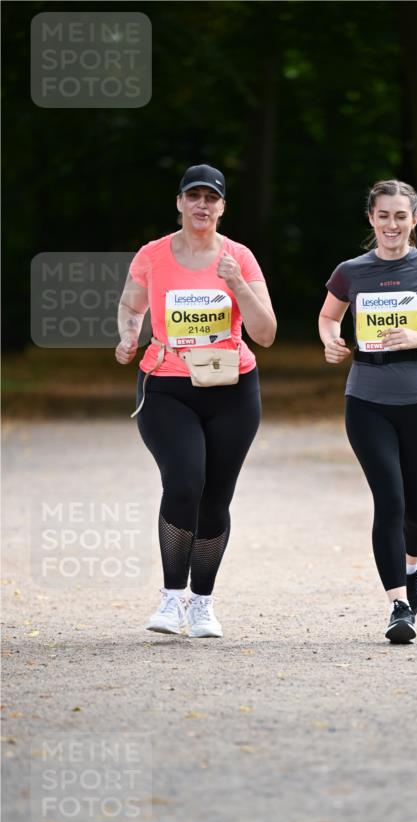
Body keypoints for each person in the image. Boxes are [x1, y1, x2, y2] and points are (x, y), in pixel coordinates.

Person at [115, 164, 276, 637]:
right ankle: (170, 598)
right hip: (167, 386)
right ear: (180, 203)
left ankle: (201, 603)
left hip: (232, 389)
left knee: (216, 496)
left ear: (222, 207)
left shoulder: (239, 257)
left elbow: (266, 333)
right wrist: (129, 336)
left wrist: (238, 283)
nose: (202, 205)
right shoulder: (152, 254)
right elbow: (131, 306)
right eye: (194, 196)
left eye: (211, 198)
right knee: (185, 481)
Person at [318, 179, 417, 644]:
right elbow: (329, 316)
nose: (392, 224)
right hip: (366, 401)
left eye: (400, 216)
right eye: (384, 215)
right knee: (388, 500)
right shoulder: (351, 271)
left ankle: (411, 568)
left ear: (414, 220)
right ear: (371, 218)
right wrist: (332, 341)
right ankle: (398, 606)